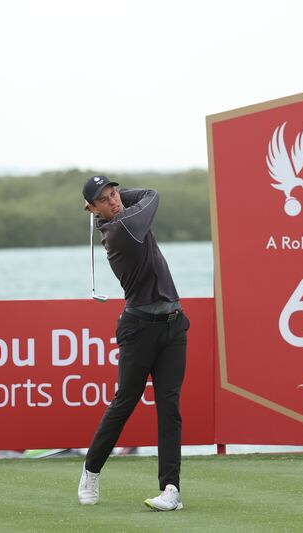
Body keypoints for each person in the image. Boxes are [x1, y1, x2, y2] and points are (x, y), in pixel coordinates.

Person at [77, 175, 189, 511]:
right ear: (92, 208)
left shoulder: (123, 217)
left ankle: (171, 489)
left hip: (172, 326)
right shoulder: (121, 228)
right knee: (124, 402)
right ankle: (91, 470)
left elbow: (139, 199)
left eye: (115, 193)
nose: (114, 200)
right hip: (139, 329)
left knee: (170, 408)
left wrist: (115, 195)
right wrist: (123, 198)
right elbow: (153, 194)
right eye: (105, 198)